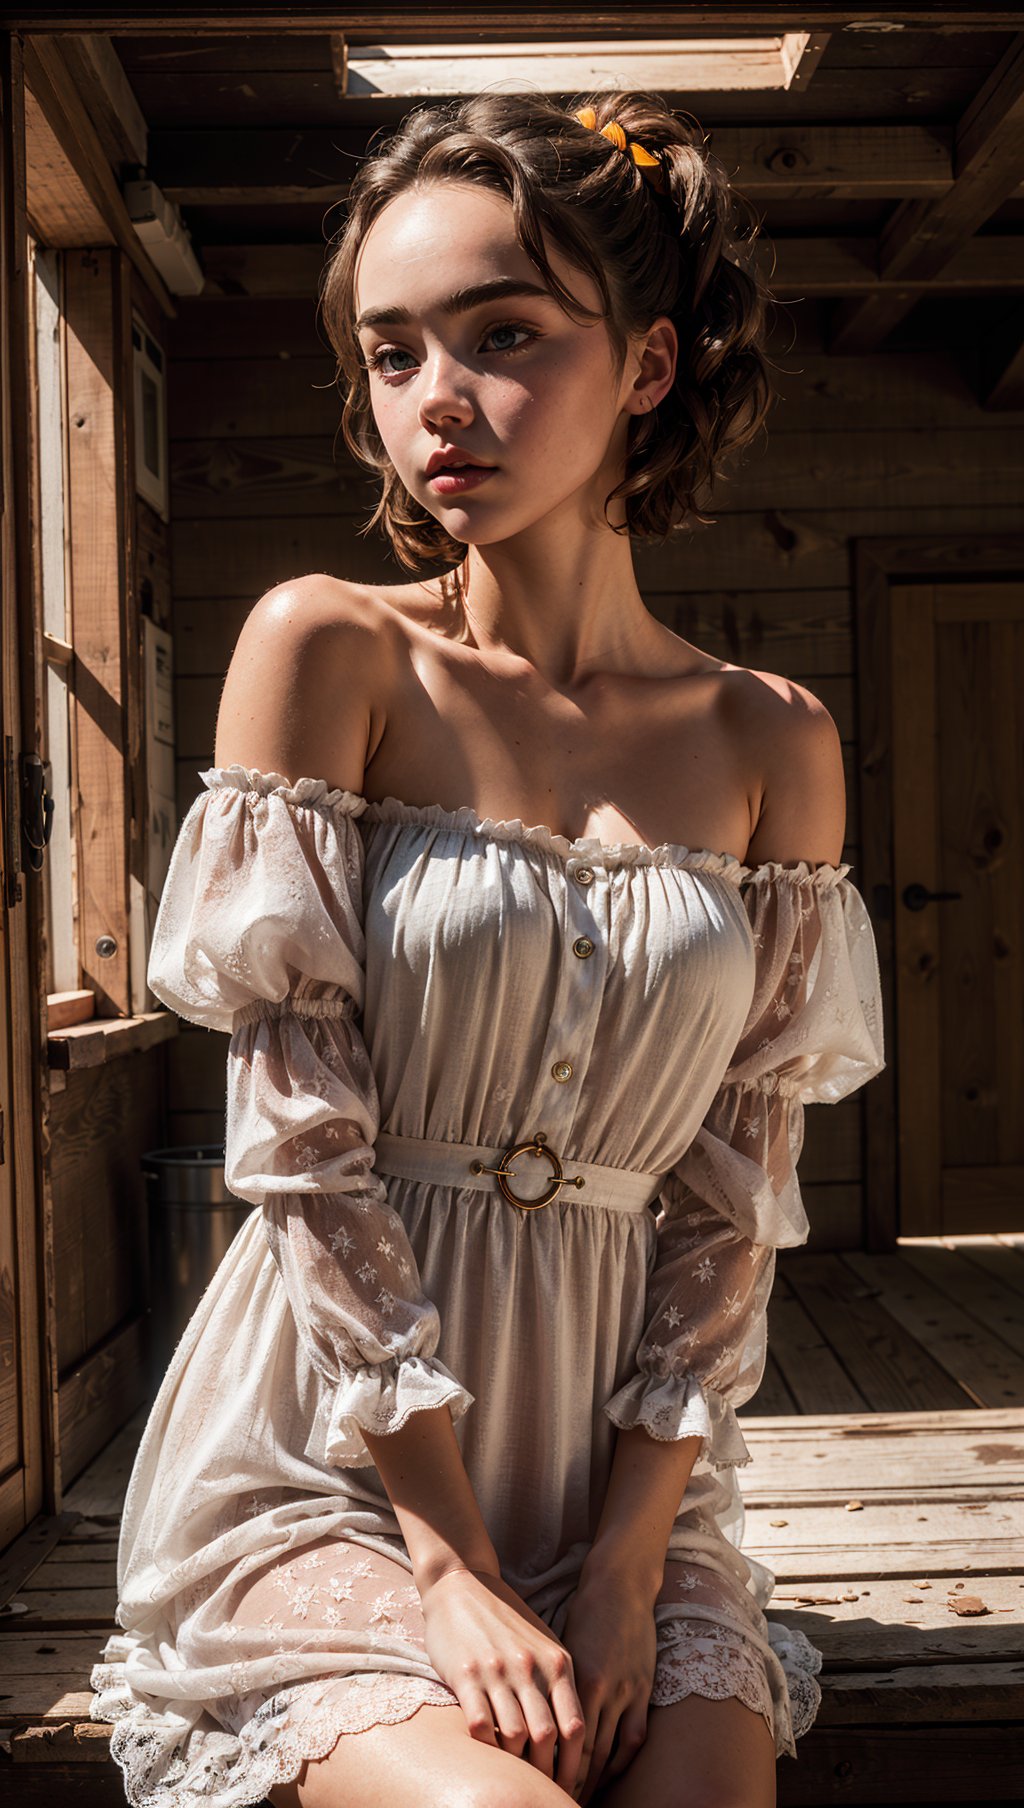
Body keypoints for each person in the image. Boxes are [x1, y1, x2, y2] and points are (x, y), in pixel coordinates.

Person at [90, 90, 886, 1808]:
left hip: (620, 1488)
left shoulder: (772, 743)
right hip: (331, 1469)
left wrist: (620, 1565)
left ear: (651, 367)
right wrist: (448, 1566)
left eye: (503, 335)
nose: (433, 399)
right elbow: (302, 1153)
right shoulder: (329, 651)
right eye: (390, 354)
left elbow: (732, 1205)